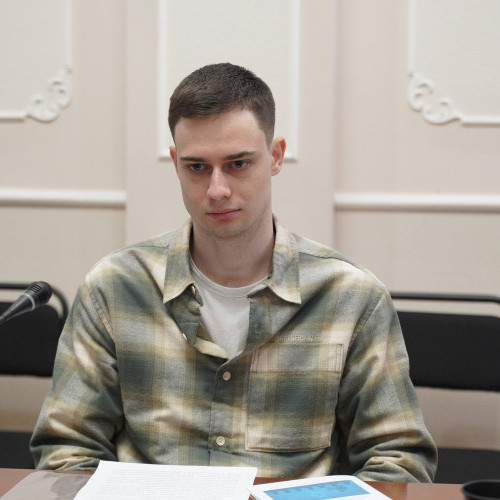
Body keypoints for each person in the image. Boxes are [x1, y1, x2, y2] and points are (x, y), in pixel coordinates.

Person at [31, 63, 437, 481]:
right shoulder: (115, 287)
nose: (217, 190)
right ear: (175, 163)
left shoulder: (351, 296)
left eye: (238, 164)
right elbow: (67, 448)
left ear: (275, 156)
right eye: (196, 167)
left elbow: (399, 459)